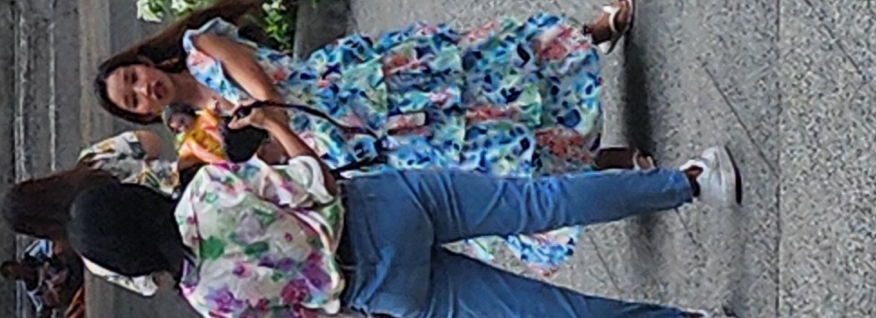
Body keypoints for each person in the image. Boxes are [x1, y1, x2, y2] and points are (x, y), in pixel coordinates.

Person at [69, 143, 731, 318]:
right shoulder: (207, 192)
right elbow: (312, 177)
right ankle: (692, 183)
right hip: (386, 208)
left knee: (549, 313)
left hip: (381, 287)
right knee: (540, 203)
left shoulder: (208, 300)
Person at [100, 8, 632, 181]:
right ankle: (601, 162)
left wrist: (265, 115)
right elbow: (279, 159)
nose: (144, 89)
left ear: (143, 61)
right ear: (144, 115)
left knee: (484, 63)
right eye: (135, 100)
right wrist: (266, 141)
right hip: (359, 143)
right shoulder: (208, 134)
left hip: (358, 83)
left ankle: (588, 34)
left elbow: (258, 79)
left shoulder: (199, 48)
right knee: (482, 152)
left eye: (134, 78)